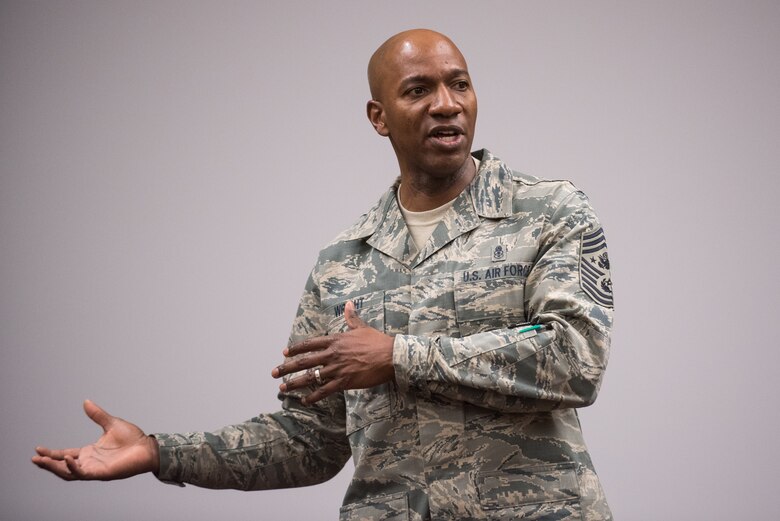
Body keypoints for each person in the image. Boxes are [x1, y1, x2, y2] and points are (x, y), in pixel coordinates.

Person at [33, 29, 614, 520]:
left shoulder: (549, 210)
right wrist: (161, 453)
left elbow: (574, 358)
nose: (446, 103)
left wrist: (398, 356)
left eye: (458, 83)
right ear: (378, 118)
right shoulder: (344, 261)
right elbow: (310, 440)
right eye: (419, 90)